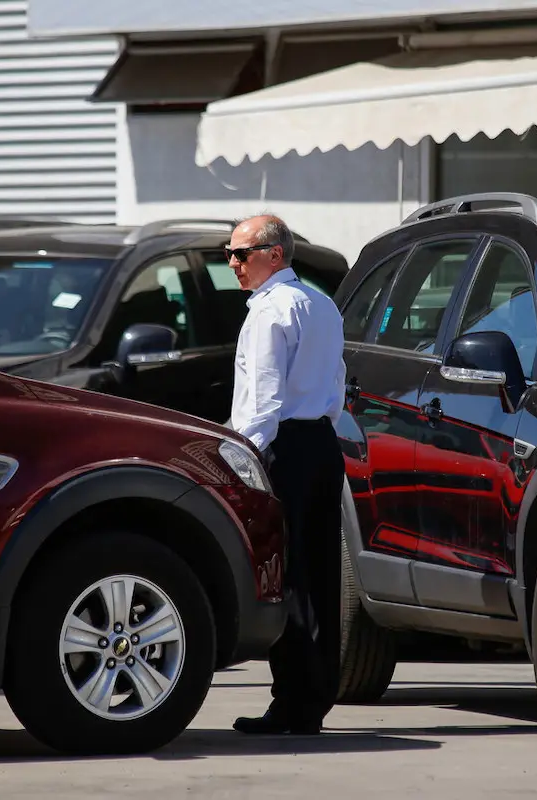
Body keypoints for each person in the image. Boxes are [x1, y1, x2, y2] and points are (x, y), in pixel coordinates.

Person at [226, 214, 347, 736]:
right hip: (321, 443)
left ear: (274, 255)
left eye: (240, 253)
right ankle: (314, 698)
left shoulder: (270, 312)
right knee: (320, 576)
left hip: (284, 449)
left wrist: (239, 459)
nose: (232, 263)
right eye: (229, 253)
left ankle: (292, 700)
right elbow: (338, 382)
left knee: (288, 576)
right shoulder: (321, 304)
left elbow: (262, 404)